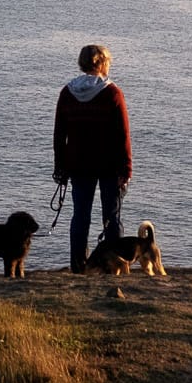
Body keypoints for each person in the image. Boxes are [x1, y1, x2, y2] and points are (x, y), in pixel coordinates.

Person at [52, 43, 133, 273]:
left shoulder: (68, 93)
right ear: (104, 64)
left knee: (80, 216)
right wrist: (126, 169)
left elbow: (59, 135)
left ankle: (79, 266)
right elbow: (123, 135)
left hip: (78, 165)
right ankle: (114, 267)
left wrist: (60, 167)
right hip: (109, 165)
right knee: (112, 217)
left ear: (82, 63)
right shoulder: (112, 93)